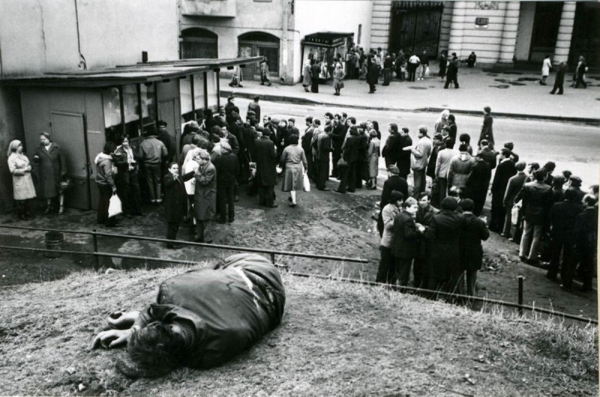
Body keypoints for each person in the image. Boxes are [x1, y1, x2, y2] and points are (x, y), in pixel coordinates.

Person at [91, 253, 285, 379]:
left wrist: (134, 328)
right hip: (256, 269)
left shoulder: (211, 353)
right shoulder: (172, 290)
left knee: (212, 275)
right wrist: (135, 328)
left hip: (259, 282)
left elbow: (155, 312)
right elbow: (156, 311)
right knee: (210, 274)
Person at [426, 197, 464, 294]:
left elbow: (430, 235)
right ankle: (449, 298)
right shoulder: (460, 218)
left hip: (437, 250)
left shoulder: (436, 218)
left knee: (434, 276)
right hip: (453, 250)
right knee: (451, 276)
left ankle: (430, 296)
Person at [515, 169, 552, 265]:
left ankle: (522, 253)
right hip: (541, 213)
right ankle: (532, 256)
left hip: (528, 211)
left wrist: (522, 211)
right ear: (544, 177)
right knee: (537, 235)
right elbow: (549, 204)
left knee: (526, 232)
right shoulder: (548, 188)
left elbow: (520, 199)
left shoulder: (527, 185)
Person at [546, 188, 583, 282]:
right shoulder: (579, 208)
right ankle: (564, 274)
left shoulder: (557, 205)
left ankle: (552, 273)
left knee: (555, 253)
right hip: (569, 234)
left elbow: (551, 218)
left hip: (557, 231)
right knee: (567, 255)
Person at [459, 198, 490, 296]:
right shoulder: (479, 222)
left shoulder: (457, 219)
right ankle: (471, 295)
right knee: (472, 275)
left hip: (459, 250)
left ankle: (459, 294)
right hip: (474, 251)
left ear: (461, 207)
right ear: (473, 208)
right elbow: (485, 236)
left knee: (459, 273)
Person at [392, 197, 424, 287]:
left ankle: (397, 287)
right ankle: (402, 290)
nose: (417, 210)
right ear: (407, 207)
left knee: (398, 270)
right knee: (404, 272)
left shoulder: (399, 215)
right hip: (406, 251)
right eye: (414, 207)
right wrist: (419, 231)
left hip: (397, 248)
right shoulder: (408, 219)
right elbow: (409, 235)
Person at [163, 162, 195, 248]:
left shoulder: (178, 177)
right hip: (172, 207)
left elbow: (184, 177)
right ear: (169, 169)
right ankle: (170, 244)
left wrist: (193, 172)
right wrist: (174, 178)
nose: (176, 170)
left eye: (177, 168)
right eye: (174, 168)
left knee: (175, 226)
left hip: (177, 207)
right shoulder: (168, 177)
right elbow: (167, 183)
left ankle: (172, 241)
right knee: (172, 226)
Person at [33, 131, 66, 214]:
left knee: (60, 190)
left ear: (48, 139)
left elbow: (63, 161)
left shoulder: (57, 148)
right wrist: (35, 158)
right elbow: (35, 159)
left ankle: (61, 206)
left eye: (43, 139)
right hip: (45, 174)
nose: (42, 141)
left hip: (56, 173)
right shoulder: (39, 149)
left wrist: (63, 172)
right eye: (41, 139)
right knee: (47, 190)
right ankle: (49, 206)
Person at [377, 191, 404, 284]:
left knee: (393, 265)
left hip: (395, 242)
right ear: (395, 200)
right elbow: (387, 225)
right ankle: (380, 282)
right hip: (388, 241)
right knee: (384, 264)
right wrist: (399, 218)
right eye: (400, 200)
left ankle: (391, 282)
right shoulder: (387, 209)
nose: (402, 202)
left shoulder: (398, 208)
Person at [572, 196, 598, 292]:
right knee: (588, 264)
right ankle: (587, 285)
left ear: (587, 202)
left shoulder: (582, 215)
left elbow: (577, 232)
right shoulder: (596, 215)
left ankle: (567, 282)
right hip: (591, 242)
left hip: (581, 242)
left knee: (573, 262)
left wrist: (574, 242)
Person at [7, 140, 36, 219]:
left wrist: (30, 167)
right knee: (21, 199)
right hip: (20, 180)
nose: (22, 147)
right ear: (16, 147)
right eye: (20, 146)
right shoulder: (11, 158)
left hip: (27, 179)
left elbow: (28, 164)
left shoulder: (23, 156)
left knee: (28, 198)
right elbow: (12, 170)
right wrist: (24, 170)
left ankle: (29, 212)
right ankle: (22, 214)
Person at [376, 165, 409, 236]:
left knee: (383, 223)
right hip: (400, 205)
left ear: (390, 173)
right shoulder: (403, 181)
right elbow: (406, 195)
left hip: (390, 205)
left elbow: (385, 197)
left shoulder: (388, 182)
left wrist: (382, 207)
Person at [490, 148, 516, 232]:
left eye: (501, 154)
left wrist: (492, 190)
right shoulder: (513, 165)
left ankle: (493, 226)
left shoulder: (501, 165)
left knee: (495, 208)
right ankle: (500, 227)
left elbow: (496, 179)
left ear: (504, 155)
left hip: (498, 190)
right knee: (502, 210)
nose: (499, 155)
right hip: (506, 189)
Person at [139, 127, 169, 204]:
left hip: (147, 164)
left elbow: (140, 156)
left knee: (150, 181)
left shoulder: (142, 143)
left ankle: (152, 199)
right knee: (158, 181)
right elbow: (165, 154)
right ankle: (158, 198)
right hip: (157, 164)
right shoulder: (160, 142)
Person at [193, 149, 216, 243]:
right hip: (201, 195)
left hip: (206, 197)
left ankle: (207, 238)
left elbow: (205, 181)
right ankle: (199, 236)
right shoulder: (202, 165)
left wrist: (197, 174)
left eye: (198, 159)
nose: (196, 160)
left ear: (204, 159)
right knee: (199, 216)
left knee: (206, 218)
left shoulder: (210, 168)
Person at [414, 192, 436, 289]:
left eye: (424, 200)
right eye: (420, 200)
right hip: (417, 241)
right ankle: (416, 285)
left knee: (426, 265)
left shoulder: (434, 212)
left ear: (429, 201)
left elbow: (434, 228)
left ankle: (423, 287)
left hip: (427, 243)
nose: (421, 202)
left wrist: (422, 227)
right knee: (416, 266)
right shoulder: (416, 209)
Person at [213, 142, 239, 223]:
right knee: (230, 197)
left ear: (223, 149)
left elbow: (217, 171)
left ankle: (223, 217)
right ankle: (231, 216)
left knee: (222, 199)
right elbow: (237, 169)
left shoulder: (219, 159)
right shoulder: (234, 157)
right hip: (231, 179)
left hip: (221, 181)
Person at [280, 134, 308, 207]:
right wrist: (306, 168)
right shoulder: (301, 149)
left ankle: (294, 201)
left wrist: (281, 166)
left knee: (290, 184)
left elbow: (282, 159)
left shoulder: (286, 149)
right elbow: (304, 160)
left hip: (289, 167)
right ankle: (293, 197)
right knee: (294, 184)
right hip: (298, 167)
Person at [95, 142, 118, 227]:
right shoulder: (107, 161)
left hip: (99, 182)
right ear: (110, 151)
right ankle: (110, 222)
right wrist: (113, 186)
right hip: (106, 184)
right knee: (109, 203)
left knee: (102, 201)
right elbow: (108, 175)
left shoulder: (100, 157)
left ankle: (101, 219)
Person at [404, 126, 432, 198]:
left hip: (418, 164)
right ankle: (421, 194)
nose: (417, 133)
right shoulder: (428, 140)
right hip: (424, 162)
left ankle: (415, 196)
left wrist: (412, 150)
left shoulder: (421, 142)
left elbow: (419, 154)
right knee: (423, 180)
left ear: (422, 133)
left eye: (418, 132)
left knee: (417, 181)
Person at [502, 161, 527, 239]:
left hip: (511, 200)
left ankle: (505, 232)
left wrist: (504, 200)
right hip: (520, 201)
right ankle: (514, 235)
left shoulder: (513, 179)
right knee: (518, 218)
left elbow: (508, 192)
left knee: (508, 216)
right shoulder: (527, 177)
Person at [254, 129, 278, 207]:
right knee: (270, 185)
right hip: (269, 166)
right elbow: (273, 155)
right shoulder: (270, 143)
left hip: (260, 165)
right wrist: (275, 150)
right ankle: (269, 202)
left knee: (261, 184)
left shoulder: (257, 141)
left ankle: (262, 201)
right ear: (269, 135)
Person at [434, 139, 456, 205]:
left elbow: (438, 165)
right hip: (451, 174)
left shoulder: (441, 152)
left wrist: (436, 174)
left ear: (446, 144)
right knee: (450, 190)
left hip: (442, 173)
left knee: (442, 190)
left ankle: (442, 203)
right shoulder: (456, 153)